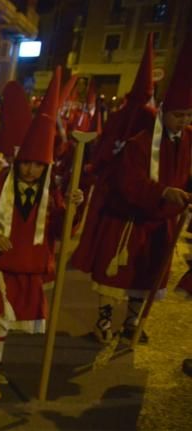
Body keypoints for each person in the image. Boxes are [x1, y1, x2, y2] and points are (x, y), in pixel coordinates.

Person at [0, 69, 83, 401]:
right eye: (26, 163)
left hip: (29, 267)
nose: (30, 170)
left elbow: (62, 229)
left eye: (37, 165)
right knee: (2, 320)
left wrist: (72, 207)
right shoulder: (2, 183)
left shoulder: (52, 193)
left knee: (5, 324)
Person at [76, 37, 192, 343]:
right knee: (115, 274)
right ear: (165, 111)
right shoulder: (140, 142)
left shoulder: (188, 141)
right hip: (128, 218)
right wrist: (162, 192)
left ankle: (131, 323)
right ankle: (103, 323)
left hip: (161, 222)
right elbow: (129, 181)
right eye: (180, 115)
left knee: (147, 274)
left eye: (190, 116)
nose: (184, 122)